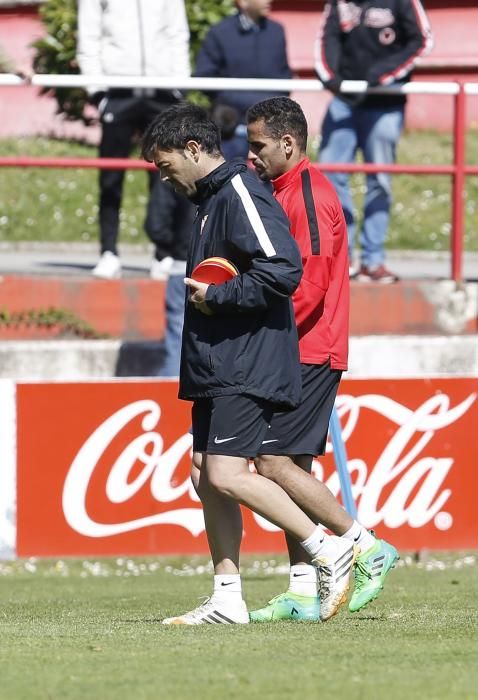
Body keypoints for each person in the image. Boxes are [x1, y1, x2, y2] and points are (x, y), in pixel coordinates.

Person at [141, 103, 356, 625]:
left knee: (232, 472)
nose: (163, 175)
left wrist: (220, 299)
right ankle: (227, 597)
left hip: (245, 360)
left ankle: (332, 548)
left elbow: (284, 270)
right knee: (205, 474)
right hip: (216, 362)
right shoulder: (212, 199)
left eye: (165, 164)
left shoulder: (239, 192)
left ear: (194, 149)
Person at [243, 96, 399, 621]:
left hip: (307, 349)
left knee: (269, 463)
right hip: (301, 348)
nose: (250, 157)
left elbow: (306, 285)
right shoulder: (284, 189)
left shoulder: (307, 194)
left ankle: (363, 544)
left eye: (258, 146)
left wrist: (256, 329)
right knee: (293, 467)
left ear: (289, 143)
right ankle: (305, 589)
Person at [315, 0, 433, 283]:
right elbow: (325, 40)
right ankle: (343, 258)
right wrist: (332, 77)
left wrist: (381, 75)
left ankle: (373, 259)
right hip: (344, 103)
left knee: (380, 180)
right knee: (329, 178)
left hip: (386, 103)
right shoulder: (339, 2)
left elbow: (422, 41)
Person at [77, 0, 195, 279]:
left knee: (167, 175)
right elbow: (89, 34)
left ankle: (162, 254)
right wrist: (97, 90)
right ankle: (108, 252)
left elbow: (177, 32)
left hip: (162, 91)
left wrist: (179, 85)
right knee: (110, 177)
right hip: (118, 91)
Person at [194, 0, 291, 160]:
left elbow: (285, 78)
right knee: (226, 178)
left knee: (275, 181)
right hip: (231, 130)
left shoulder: (277, 31)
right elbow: (204, 77)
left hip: (271, 127)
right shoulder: (219, 33)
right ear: (243, 2)